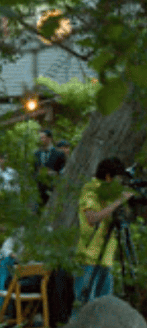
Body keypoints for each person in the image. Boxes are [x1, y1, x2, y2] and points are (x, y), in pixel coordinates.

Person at [75, 157, 134, 303]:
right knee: (85, 305)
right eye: (118, 179)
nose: (120, 183)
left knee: (104, 305)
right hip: (89, 257)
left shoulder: (110, 192)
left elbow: (124, 217)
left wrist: (124, 203)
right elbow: (92, 218)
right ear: (108, 177)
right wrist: (118, 201)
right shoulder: (90, 189)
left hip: (106, 257)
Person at [33, 129, 66, 205]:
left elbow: (63, 171)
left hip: (54, 189)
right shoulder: (36, 154)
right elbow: (34, 171)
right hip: (39, 190)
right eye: (39, 137)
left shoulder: (59, 153)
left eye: (42, 137)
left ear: (49, 138)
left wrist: (53, 173)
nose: (40, 139)